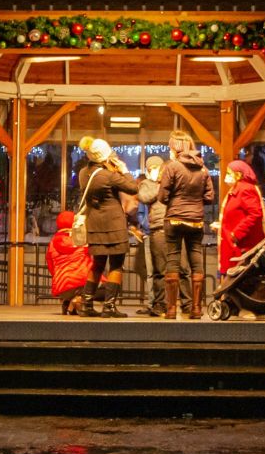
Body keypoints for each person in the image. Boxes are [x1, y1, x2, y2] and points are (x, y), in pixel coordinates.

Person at [73, 137, 141, 318]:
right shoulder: (108, 176)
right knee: (116, 265)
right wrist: (125, 170)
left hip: (94, 224)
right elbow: (133, 188)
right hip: (114, 224)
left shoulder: (83, 173)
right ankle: (109, 307)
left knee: (97, 264)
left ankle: (86, 304)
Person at [157, 130, 214, 320]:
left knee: (173, 259)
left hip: (173, 219)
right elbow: (209, 197)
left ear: (176, 147)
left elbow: (162, 196)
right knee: (196, 259)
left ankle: (171, 309)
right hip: (196, 220)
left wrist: (176, 201)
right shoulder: (203, 169)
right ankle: (196, 309)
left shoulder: (172, 167)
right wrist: (194, 202)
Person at [132, 155, 170, 316]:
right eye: (150, 169)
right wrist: (145, 225)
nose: (152, 171)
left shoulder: (168, 184)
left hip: (165, 230)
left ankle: (164, 302)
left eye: (155, 168)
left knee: (164, 269)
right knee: (151, 271)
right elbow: (141, 209)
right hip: (150, 232)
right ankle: (152, 302)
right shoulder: (146, 186)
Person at [216, 159, 265, 280]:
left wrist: (236, 234)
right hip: (232, 243)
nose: (227, 176)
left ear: (238, 174)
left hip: (241, 246)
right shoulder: (236, 189)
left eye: (229, 173)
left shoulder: (245, 189)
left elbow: (255, 213)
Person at [47, 209, 92, 314]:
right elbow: (89, 263)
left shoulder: (52, 243)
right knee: (104, 288)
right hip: (81, 284)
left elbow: (50, 266)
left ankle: (67, 301)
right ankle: (77, 299)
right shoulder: (81, 242)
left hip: (61, 287)